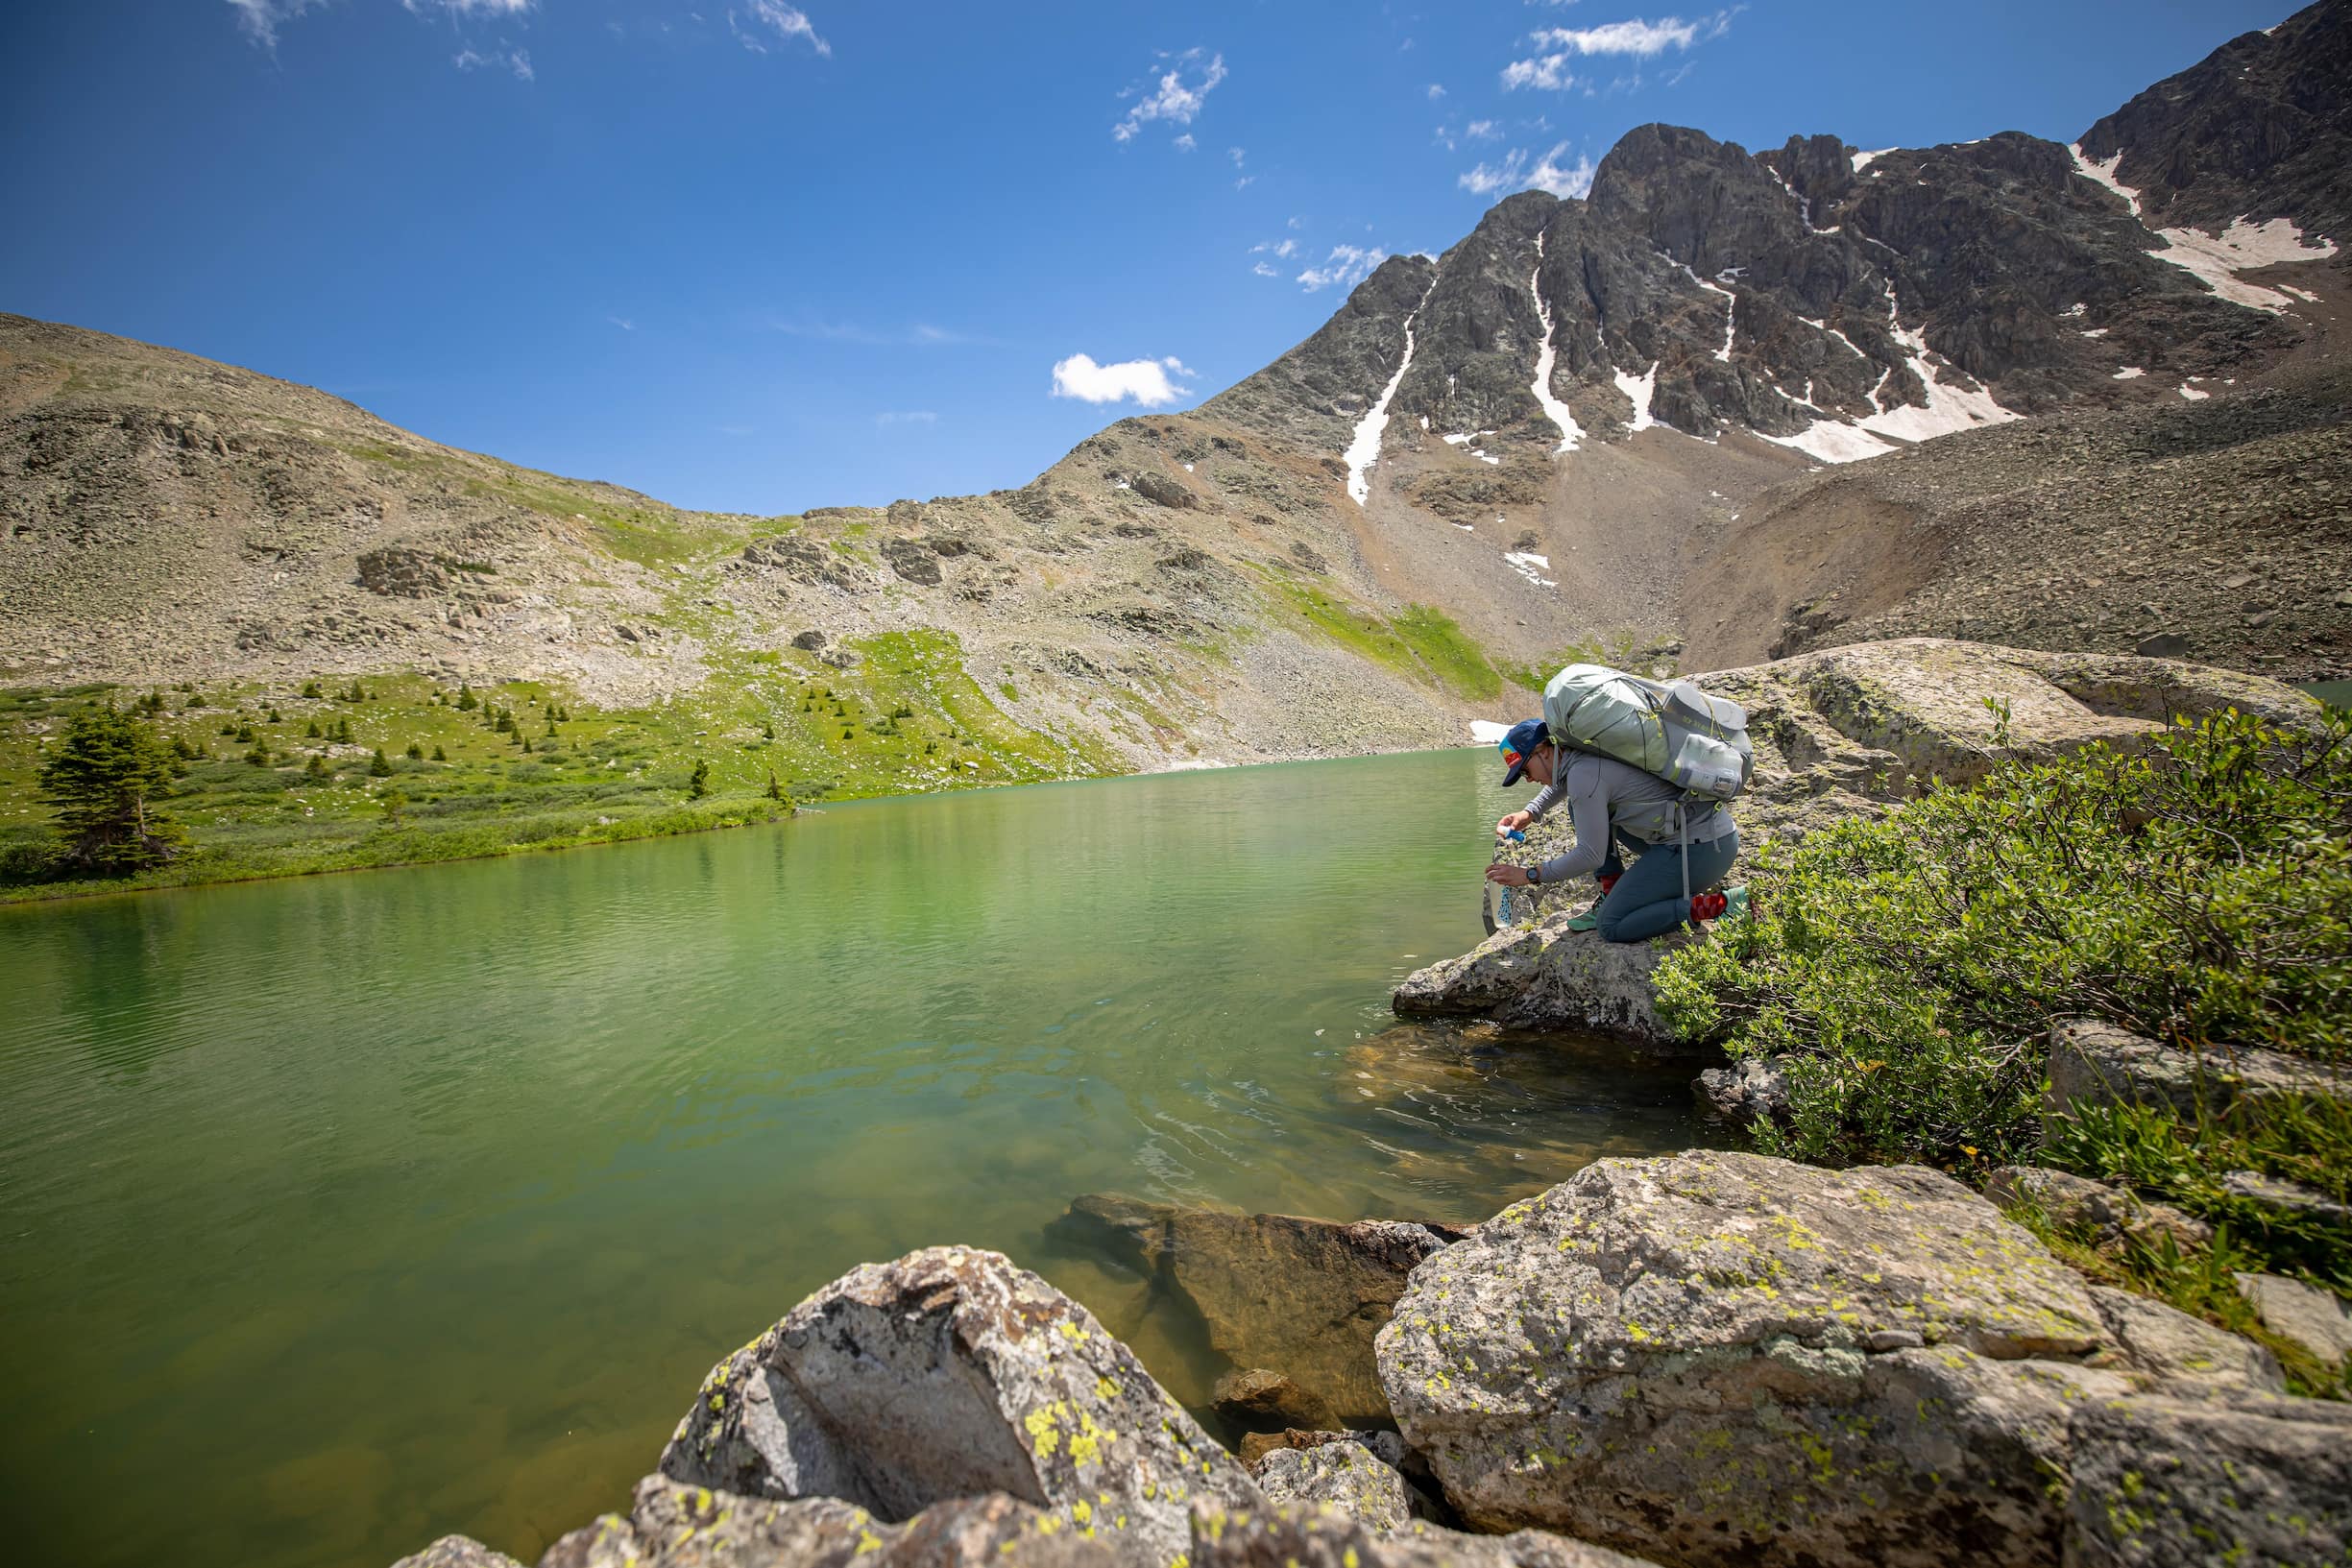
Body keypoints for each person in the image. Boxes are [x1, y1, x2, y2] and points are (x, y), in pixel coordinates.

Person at [1484, 716, 1738, 942]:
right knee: (1579, 808)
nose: (1529, 779)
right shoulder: (1583, 754)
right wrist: (1530, 812)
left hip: (1700, 851)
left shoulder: (1583, 775)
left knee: (1611, 925)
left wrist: (1530, 875)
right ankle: (1611, 890)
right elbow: (1567, 781)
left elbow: (1589, 855)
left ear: (1544, 751)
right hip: (1698, 836)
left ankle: (1721, 905)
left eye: (1526, 771)